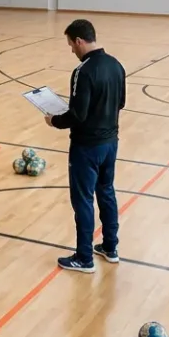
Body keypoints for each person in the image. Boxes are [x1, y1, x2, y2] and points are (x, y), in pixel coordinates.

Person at [44, 19, 126, 273]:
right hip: (110, 143)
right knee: (106, 192)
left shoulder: (83, 71)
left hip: (86, 148)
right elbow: (120, 103)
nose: (71, 50)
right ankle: (110, 247)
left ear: (79, 41)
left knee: (82, 200)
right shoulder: (116, 65)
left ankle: (84, 258)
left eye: (71, 44)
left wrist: (54, 120)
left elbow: (77, 114)